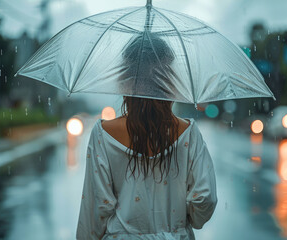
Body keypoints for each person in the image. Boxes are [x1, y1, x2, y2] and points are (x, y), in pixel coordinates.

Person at [77, 32, 217, 240]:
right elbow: (205, 200)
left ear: (125, 79)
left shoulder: (103, 134)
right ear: (169, 81)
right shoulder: (188, 133)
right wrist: (178, 219)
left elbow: (95, 211)